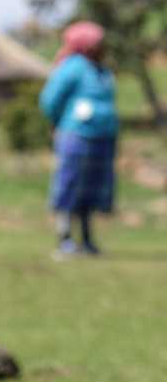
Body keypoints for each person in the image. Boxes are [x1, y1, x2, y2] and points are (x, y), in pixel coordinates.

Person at [39, 21, 119, 259]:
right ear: (85, 45)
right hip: (76, 137)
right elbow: (50, 100)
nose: (103, 47)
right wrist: (56, 122)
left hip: (102, 139)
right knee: (70, 187)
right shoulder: (72, 67)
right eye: (98, 43)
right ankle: (64, 240)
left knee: (90, 192)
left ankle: (86, 241)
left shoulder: (102, 71)